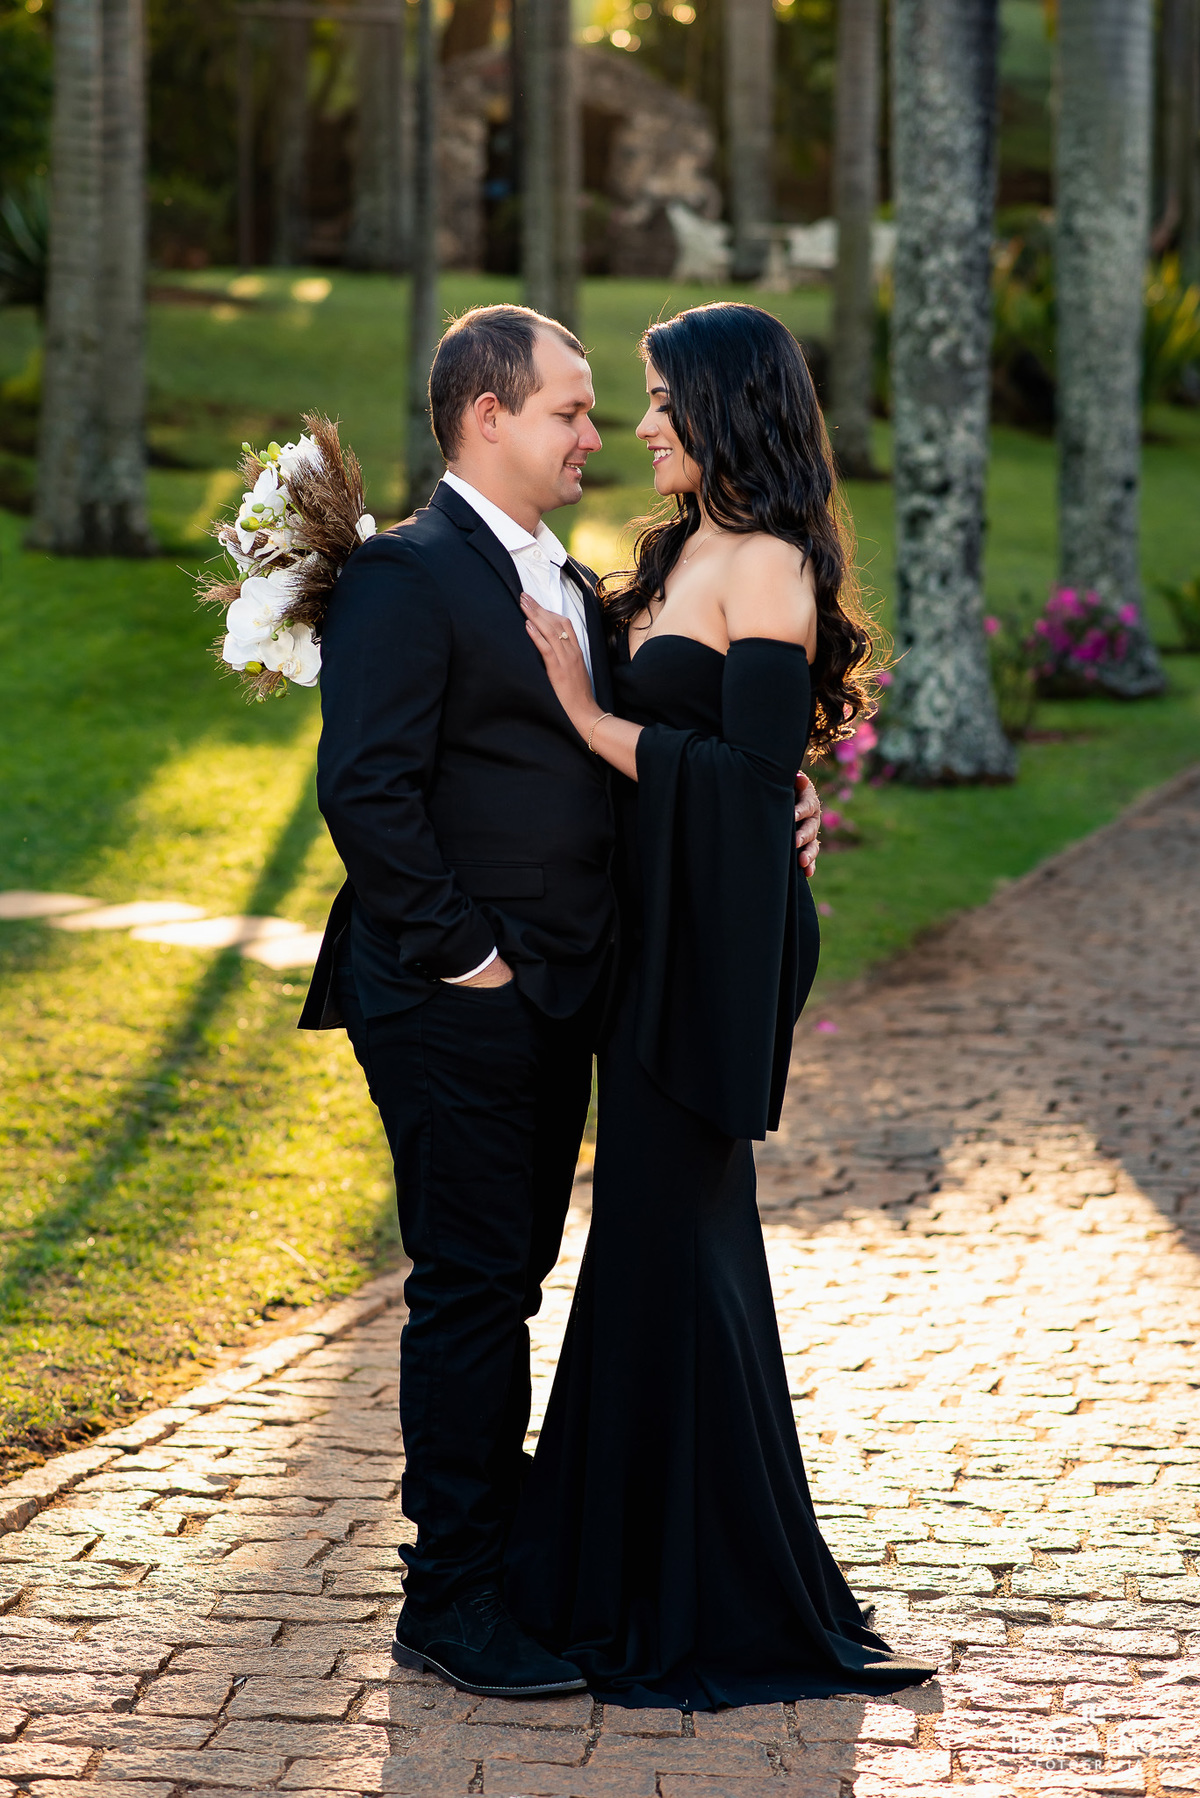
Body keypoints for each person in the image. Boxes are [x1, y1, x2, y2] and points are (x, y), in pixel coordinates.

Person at [299, 305, 823, 1699]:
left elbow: (672, 736)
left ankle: (514, 1559)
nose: (602, 433)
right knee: (472, 1289)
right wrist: (466, 953)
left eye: (617, 408)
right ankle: (451, 1600)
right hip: (458, 997)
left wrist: (780, 787)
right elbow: (366, 787)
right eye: (572, 411)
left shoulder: (577, 580)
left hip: (571, 997)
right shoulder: (407, 577)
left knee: (505, 1279)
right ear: (488, 417)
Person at [505, 302, 937, 1708]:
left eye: (656, 402)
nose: (638, 428)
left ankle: (699, 1589)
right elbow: (742, 771)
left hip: (715, 945)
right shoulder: (680, 549)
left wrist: (587, 711)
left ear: (724, 407)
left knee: (669, 1234)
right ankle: (625, 1563)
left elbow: (749, 788)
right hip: (651, 934)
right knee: (663, 1244)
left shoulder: (771, 570)